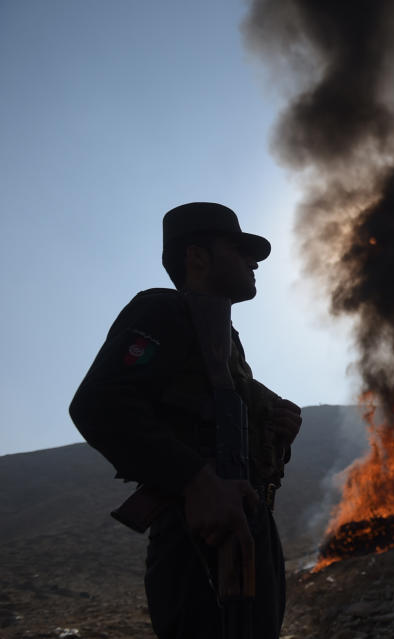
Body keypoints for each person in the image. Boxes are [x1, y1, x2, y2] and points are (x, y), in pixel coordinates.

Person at [69, 202, 302, 639]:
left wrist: (276, 432)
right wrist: (195, 480)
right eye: (238, 249)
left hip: (245, 523)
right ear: (197, 257)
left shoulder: (226, 343)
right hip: (200, 527)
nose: (253, 262)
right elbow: (98, 403)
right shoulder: (163, 311)